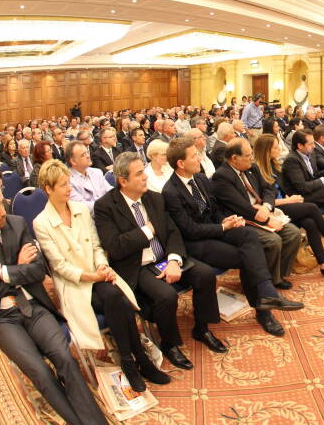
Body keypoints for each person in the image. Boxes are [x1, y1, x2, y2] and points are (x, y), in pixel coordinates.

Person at [0, 181, 107, 425]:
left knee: (65, 357)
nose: (2, 211)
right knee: (40, 371)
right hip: (5, 318)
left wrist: (2, 272)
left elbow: (38, 270)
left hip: (35, 307)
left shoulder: (16, 224)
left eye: (2, 203)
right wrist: (19, 269)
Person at [33, 160, 170, 391]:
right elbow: (60, 266)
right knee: (118, 300)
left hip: (97, 271)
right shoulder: (41, 223)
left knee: (118, 298)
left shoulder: (80, 209)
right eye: (63, 185)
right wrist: (92, 276)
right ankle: (136, 360)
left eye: (69, 183)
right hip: (74, 282)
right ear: (48, 189)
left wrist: (102, 267)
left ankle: (132, 360)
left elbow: (97, 246)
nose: (69, 188)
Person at [161, 137, 304, 338]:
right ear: (181, 163)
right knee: (247, 256)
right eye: (194, 156)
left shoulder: (200, 179)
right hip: (196, 242)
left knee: (248, 235)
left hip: (215, 229)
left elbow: (214, 209)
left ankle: (267, 295)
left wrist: (227, 219)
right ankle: (264, 310)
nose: (200, 158)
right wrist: (222, 226)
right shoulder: (170, 191)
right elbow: (189, 230)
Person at [94, 152, 222, 370]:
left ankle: (202, 328)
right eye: (139, 174)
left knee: (205, 274)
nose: (145, 177)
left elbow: (172, 232)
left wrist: (173, 260)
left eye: (143, 171)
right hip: (138, 265)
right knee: (166, 296)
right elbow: (115, 246)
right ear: (123, 181)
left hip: (164, 257)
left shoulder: (154, 197)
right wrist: (148, 230)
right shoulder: (105, 206)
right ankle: (170, 344)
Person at [254, 133, 324, 264]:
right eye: (276, 148)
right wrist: (289, 200)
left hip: (289, 201)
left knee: (318, 216)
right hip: (275, 208)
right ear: (266, 151)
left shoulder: (275, 166)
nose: (280, 149)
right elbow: (264, 201)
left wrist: (290, 198)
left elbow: (286, 188)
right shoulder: (259, 170)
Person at [212, 138, 302, 289]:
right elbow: (241, 207)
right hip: (242, 220)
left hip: (262, 212)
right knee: (272, 240)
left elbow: (268, 189)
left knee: (293, 233)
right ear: (234, 158)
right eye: (248, 155)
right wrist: (266, 219)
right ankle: (266, 282)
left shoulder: (252, 168)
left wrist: (266, 207)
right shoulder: (221, 176)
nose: (252, 158)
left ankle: (277, 275)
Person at [66, 141, 112, 215]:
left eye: (87, 152)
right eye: (83, 155)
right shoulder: (67, 180)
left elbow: (111, 191)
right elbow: (82, 206)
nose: (88, 156)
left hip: (108, 212)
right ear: (73, 161)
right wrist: (108, 205)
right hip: (89, 218)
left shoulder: (97, 172)